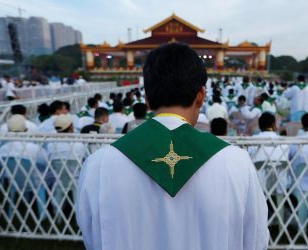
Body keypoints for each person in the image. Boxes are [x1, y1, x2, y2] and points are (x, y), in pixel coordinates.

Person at [77, 43, 269, 250]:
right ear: (201, 95)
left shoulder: (99, 164)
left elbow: (93, 238)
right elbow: (255, 240)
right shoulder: (237, 162)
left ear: (147, 100)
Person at [248, 112, 290, 194]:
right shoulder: (284, 142)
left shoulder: (252, 141)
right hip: (280, 185)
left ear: (259, 126)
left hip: (259, 186)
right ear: (274, 124)